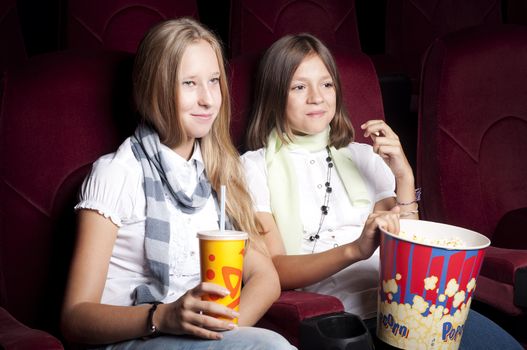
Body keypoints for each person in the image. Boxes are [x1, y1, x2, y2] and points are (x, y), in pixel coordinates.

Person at [241, 33, 523, 349]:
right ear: (274, 95)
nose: (317, 97)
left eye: (327, 84)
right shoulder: (253, 167)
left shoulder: (364, 156)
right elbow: (276, 268)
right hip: (339, 313)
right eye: (299, 87)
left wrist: (403, 175)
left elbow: (409, 242)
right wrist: (355, 249)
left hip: (411, 300)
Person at [60, 18, 294, 350]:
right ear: (155, 88)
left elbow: (266, 277)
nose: (208, 100)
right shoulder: (117, 174)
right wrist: (164, 317)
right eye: (189, 83)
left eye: (214, 81)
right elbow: (74, 318)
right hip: (130, 338)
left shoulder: (220, 171)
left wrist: (219, 332)